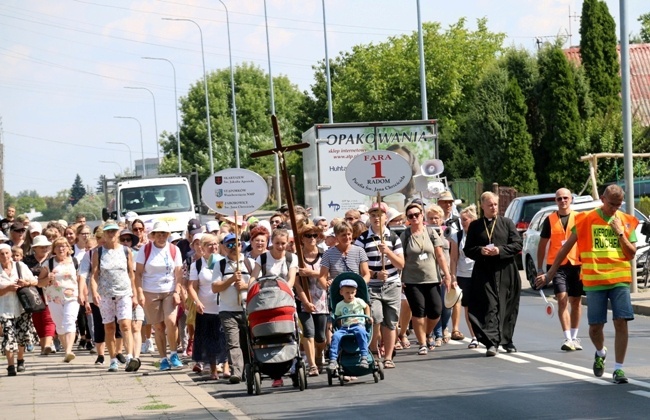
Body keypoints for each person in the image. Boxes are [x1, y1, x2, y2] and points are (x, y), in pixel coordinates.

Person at [537, 185, 637, 384]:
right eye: (611, 204)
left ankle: (618, 369)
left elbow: (631, 253)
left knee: (621, 322)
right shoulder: (586, 220)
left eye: (618, 205)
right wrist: (549, 273)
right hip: (594, 282)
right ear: (602, 199)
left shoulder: (625, 221)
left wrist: (619, 233)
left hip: (619, 281)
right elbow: (565, 248)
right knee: (594, 328)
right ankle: (601, 352)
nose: (614, 208)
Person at [464, 192, 522, 357]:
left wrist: (500, 250)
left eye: (495, 204)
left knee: (508, 306)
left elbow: (517, 244)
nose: (493, 207)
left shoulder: (507, 223)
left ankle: (507, 340)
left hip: (506, 270)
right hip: (484, 271)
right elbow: (468, 249)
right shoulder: (475, 226)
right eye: (490, 205)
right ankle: (492, 342)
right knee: (490, 306)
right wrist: (481, 251)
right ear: (482, 206)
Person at [354, 202, 404, 369]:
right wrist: (375, 274)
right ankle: (374, 351)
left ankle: (388, 357)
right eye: (373, 215)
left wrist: (388, 252)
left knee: (391, 322)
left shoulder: (394, 238)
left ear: (385, 217)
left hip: (392, 285)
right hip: (372, 286)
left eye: (380, 214)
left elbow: (401, 264)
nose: (377, 218)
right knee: (375, 317)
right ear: (369, 217)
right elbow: (359, 265)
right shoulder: (362, 239)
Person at [400, 201, 451, 356]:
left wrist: (447, 275)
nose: (414, 217)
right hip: (412, 280)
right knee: (418, 311)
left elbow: (440, 256)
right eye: (411, 216)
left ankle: (427, 333)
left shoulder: (430, 233)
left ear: (422, 216)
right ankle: (422, 342)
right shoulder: (405, 235)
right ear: (408, 218)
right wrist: (400, 278)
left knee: (436, 310)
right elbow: (400, 258)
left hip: (432, 278)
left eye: (417, 214)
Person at [536, 188, 584, 351]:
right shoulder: (549, 220)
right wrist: (539, 268)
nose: (562, 201)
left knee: (576, 301)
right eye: (559, 199)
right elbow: (542, 245)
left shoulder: (579, 218)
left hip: (576, 264)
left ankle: (575, 336)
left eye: (565, 198)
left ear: (571, 200)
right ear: (555, 201)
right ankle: (567, 338)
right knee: (562, 298)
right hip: (556, 266)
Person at [90, 222, 139, 373]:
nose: (111, 234)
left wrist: (135, 294)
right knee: (109, 327)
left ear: (118, 233)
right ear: (104, 234)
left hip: (124, 292)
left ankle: (130, 357)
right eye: (108, 231)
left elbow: (131, 274)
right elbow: (94, 275)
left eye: (114, 231)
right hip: (106, 293)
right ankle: (112, 360)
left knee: (125, 324)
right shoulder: (99, 252)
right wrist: (94, 292)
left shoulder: (126, 251)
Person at [134, 221, 184, 371]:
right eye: (158, 233)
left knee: (171, 321)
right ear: (153, 235)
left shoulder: (174, 250)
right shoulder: (145, 250)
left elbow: (179, 273)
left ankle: (174, 354)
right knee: (158, 326)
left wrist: (177, 291)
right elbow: (138, 274)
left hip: (169, 290)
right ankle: (163, 358)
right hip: (151, 291)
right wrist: (140, 293)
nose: (161, 236)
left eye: (164, 233)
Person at [212, 233, 255, 383]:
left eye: (235, 244)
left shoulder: (250, 263)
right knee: (233, 342)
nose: (232, 248)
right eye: (228, 245)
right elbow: (215, 287)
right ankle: (236, 371)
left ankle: (250, 369)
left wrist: (244, 286)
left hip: (248, 309)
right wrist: (231, 279)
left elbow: (259, 285)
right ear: (224, 247)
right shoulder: (220, 265)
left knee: (248, 341)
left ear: (241, 245)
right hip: (227, 310)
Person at [189, 234, 227, 381]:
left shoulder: (224, 262)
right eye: (209, 245)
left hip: (224, 306)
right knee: (210, 341)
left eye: (215, 244)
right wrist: (197, 302)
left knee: (225, 338)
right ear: (202, 247)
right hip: (206, 309)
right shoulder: (197, 265)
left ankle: (226, 367)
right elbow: (191, 287)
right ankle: (213, 370)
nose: (213, 247)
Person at [37, 237, 82, 362]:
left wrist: (83, 294)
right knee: (60, 326)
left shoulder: (74, 261)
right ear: (54, 249)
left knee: (70, 320)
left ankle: (69, 351)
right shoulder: (49, 263)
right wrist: (48, 279)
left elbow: (80, 279)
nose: (61, 248)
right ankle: (66, 349)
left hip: (72, 297)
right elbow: (39, 283)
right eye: (58, 246)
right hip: (53, 298)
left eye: (64, 246)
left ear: (68, 248)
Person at [295, 223, 328, 376]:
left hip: (321, 300)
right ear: (302, 238)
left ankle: (319, 354)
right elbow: (296, 284)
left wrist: (311, 272)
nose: (312, 238)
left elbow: (326, 279)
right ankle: (312, 365)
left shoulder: (324, 255)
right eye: (308, 235)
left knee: (321, 336)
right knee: (309, 332)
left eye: (315, 235)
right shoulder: (297, 257)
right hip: (304, 301)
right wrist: (305, 302)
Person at [0, 243, 38, 376]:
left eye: (7, 253)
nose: (5, 256)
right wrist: (7, 289)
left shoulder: (20, 266)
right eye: (1, 254)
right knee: (9, 337)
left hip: (22, 306)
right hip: (4, 309)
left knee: (22, 336)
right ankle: (10, 366)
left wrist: (25, 283)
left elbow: (34, 281)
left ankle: (20, 360)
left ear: (11, 254)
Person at [449, 205, 479, 349]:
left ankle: (484, 334)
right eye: (461, 219)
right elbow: (453, 259)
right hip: (463, 275)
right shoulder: (457, 236)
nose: (462, 222)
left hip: (479, 273)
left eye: (465, 220)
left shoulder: (481, 234)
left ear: (473, 220)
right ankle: (474, 336)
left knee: (483, 305)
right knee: (468, 306)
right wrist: (453, 277)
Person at [328, 279, 372, 371]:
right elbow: (338, 316)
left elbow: (367, 306)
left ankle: (364, 356)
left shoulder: (359, 301)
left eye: (352, 292)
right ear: (341, 292)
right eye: (347, 293)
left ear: (355, 292)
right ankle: (333, 359)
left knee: (361, 332)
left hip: (358, 324)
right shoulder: (339, 305)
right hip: (345, 327)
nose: (350, 295)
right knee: (336, 335)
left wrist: (368, 317)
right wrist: (336, 325)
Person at [23, 235, 56, 354]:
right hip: (32, 294)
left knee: (48, 318)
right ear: (35, 248)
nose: (44, 248)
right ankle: (43, 345)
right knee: (37, 320)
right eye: (41, 246)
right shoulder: (27, 260)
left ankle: (48, 343)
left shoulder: (53, 259)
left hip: (50, 293)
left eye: (46, 246)